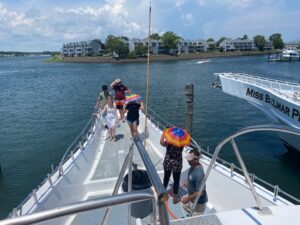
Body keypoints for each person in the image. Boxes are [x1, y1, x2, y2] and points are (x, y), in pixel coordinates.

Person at [181, 149, 208, 215]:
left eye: (190, 159)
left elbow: (200, 192)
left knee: (196, 218)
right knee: (183, 204)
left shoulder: (199, 174)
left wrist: (188, 198)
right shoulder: (192, 166)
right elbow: (192, 177)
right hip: (192, 198)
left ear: (196, 160)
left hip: (199, 203)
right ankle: (191, 214)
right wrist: (188, 183)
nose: (188, 160)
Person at [160, 132, 183, 204]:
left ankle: (164, 195)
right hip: (177, 163)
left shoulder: (169, 142)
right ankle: (175, 198)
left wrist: (164, 134)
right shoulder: (181, 143)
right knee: (176, 180)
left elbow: (161, 142)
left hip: (168, 162)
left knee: (166, 178)